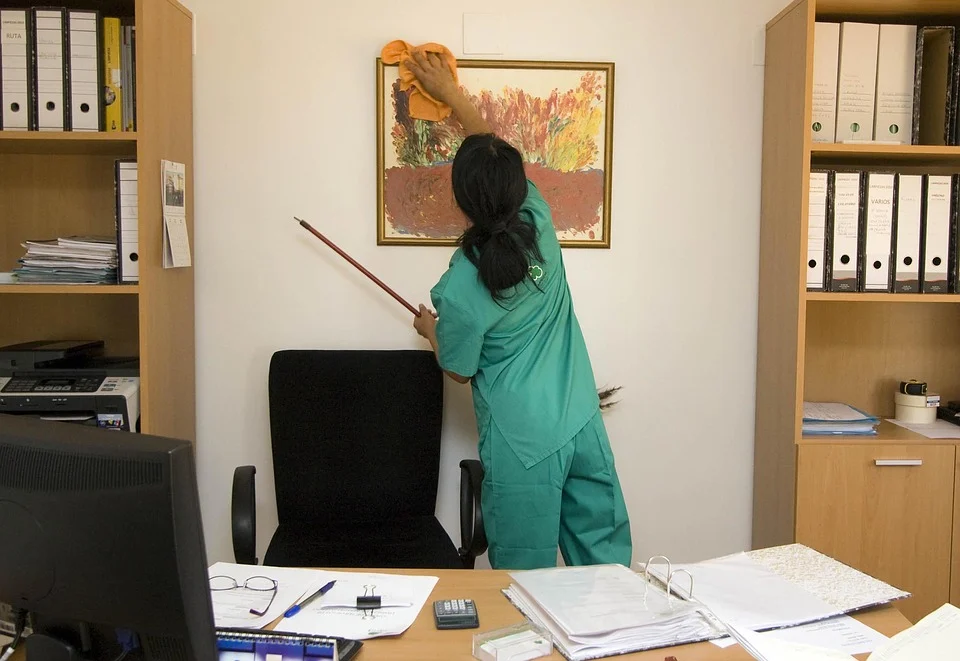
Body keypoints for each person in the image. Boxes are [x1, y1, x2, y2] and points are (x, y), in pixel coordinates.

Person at [406, 51, 632, 570]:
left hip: (524, 443)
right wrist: (455, 96)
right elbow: (491, 149)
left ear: (464, 202)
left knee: (524, 586)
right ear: (513, 184)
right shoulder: (539, 219)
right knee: (607, 571)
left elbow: (459, 370)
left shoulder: (461, 286)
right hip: (580, 418)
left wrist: (430, 331)